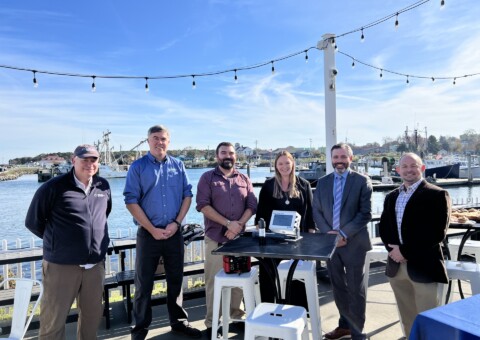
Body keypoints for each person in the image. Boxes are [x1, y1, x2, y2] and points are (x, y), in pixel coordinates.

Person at [25, 144, 111, 340]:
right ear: (74, 160)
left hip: (94, 266)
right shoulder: (53, 187)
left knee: (91, 318)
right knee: (53, 321)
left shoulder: (103, 187)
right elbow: (33, 222)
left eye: (94, 160)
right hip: (61, 266)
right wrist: (60, 243)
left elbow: (102, 216)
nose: (89, 164)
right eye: (84, 159)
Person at [123, 125, 201, 339]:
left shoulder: (179, 165)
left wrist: (176, 223)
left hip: (174, 233)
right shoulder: (137, 167)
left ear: (169, 142)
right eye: (155, 138)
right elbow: (130, 200)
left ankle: (179, 323)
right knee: (144, 284)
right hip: (148, 235)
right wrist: (152, 229)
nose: (159, 142)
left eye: (163, 139)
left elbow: (187, 195)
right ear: (148, 141)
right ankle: (139, 331)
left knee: (176, 280)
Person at [379, 152, 450, 338]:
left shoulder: (437, 194)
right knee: (407, 315)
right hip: (396, 266)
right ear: (398, 170)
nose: (409, 170)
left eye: (414, 166)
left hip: (424, 265)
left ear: (423, 168)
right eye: (405, 167)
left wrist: (405, 251)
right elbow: (384, 228)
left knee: (429, 316)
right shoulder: (391, 196)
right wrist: (393, 251)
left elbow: (437, 233)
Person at [196, 142, 257, 338]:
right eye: (223, 153)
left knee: (239, 280)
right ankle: (211, 323)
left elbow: (252, 204)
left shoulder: (244, 178)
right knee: (214, 281)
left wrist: (238, 224)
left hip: (239, 239)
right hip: (216, 238)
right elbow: (203, 205)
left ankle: (236, 317)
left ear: (236, 157)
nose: (227, 156)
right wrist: (228, 223)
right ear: (217, 156)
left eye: (231, 153)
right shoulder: (207, 178)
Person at [312, 143, 372, 340]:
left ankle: (358, 333)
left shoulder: (362, 181)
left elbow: (365, 214)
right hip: (330, 245)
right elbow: (317, 211)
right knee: (337, 287)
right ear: (331, 159)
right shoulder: (322, 182)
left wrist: (342, 234)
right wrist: (329, 235)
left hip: (354, 243)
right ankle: (344, 325)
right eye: (335, 157)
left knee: (356, 289)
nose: (339, 161)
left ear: (350, 158)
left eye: (343, 157)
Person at [255, 150, 316, 302]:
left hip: (296, 241)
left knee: (296, 277)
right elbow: (260, 214)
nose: (284, 166)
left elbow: (310, 213)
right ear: (276, 165)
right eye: (280, 163)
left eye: (287, 163)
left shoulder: (304, 185)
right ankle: (267, 310)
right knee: (268, 276)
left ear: (293, 163)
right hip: (272, 241)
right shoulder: (268, 186)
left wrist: (310, 237)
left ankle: (296, 312)